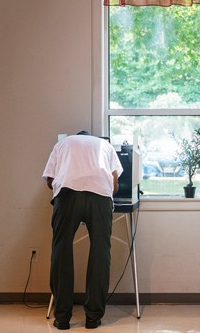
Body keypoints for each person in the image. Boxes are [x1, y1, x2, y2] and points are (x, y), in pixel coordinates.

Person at [42, 131, 123, 330]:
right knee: (100, 251)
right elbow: (114, 185)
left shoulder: (63, 143)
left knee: (61, 250)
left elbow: (50, 180)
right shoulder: (106, 146)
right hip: (100, 195)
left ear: (75, 135)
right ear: (93, 137)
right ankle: (93, 317)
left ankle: (62, 318)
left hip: (68, 194)